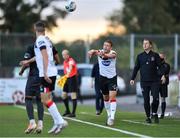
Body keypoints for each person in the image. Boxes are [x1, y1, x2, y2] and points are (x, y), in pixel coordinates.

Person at [33, 21, 67, 134]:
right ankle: (57, 122)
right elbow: (51, 54)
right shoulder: (47, 39)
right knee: (47, 99)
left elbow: (45, 56)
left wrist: (46, 73)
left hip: (46, 73)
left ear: (35, 29)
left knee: (44, 99)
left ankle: (60, 121)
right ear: (44, 29)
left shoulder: (40, 40)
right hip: (50, 72)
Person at [19, 44, 61, 134]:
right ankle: (40, 123)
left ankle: (32, 122)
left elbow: (27, 62)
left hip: (34, 75)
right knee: (40, 100)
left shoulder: (32, 46)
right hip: (45, 76)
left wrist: (22, 70)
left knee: (28, 98)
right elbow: (58, 60)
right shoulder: (50, 46)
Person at [130, 39, 166, 124]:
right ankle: (148, 117)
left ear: (150, 45)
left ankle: (154, 113)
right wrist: (132, 78)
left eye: (146, 43)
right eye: (143, 43)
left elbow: (160, 66)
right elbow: (136, 68)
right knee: (146, 100)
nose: (144, 45)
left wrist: (163, 75)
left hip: (155, 81)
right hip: (144, 82)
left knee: (156, 98)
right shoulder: (140, 56)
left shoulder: (155, 55)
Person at [88, 40, 118, 126]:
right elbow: (93, 51)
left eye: (107, 46)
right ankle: (109, 115)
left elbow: (110, 56)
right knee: (105, 98)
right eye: (104, 45)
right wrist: (91, 51)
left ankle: (112, 117)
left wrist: (103, 55)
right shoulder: (99, 51)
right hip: (102, 79)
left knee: (112, 97)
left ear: (111, 47)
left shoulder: (113, 53)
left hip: (112, 78)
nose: (105, 47)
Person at [61, 49, 78, 117]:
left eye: (65, 54)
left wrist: (69, 72)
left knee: (73, 95)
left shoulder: (71, 60)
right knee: (63, 95)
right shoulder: (64, 62)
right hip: (67, 79)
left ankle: (73, 113)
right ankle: (67, 110)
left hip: (72, 78)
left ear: (68, 55)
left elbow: (70, 67)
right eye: (63, 55)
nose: (64, 56)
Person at [158, 53, 170, 119]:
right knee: (154, 98)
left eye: (161, 56)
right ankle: (153, 113)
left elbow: (166, 72)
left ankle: (162, 113)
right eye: (159, 56)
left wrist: (163, 76)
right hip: (156, 84)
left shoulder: (166, 65)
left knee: (163, 98)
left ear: (164, 57)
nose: (160, 57)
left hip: (163, 84)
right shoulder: (156, 65)